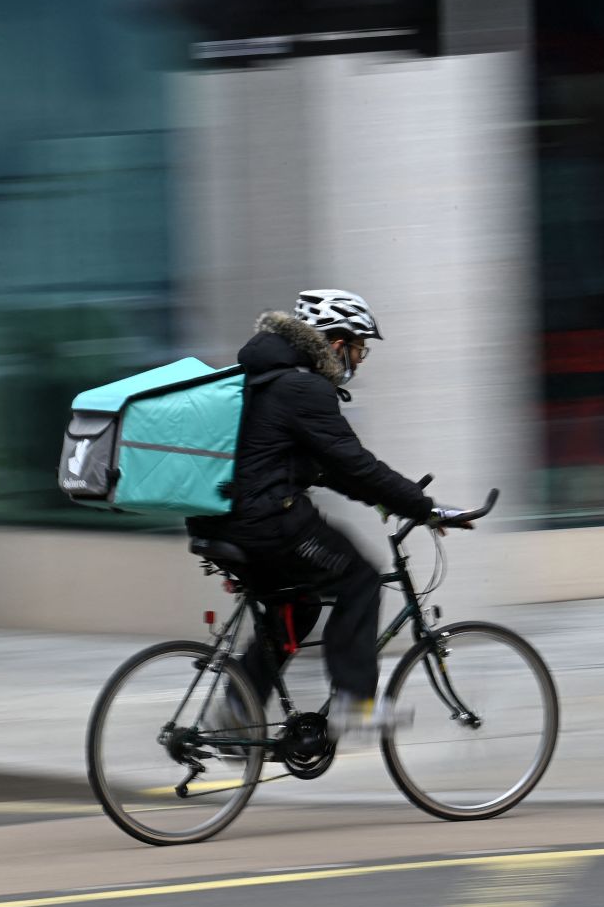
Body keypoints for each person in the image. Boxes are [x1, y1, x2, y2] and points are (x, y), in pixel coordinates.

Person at [188, 289, 471, 738]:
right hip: (269, 522)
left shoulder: (260, 380)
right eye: (359, 348)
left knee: (296, 608)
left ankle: (236, 715)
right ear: (337, 343)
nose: (359, 359)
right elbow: (354, 463)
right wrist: (422, 507)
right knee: (360, 579)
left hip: (225, 522)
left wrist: (388, 500)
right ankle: (354, 703)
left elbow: (327, 469)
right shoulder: (302, 388)